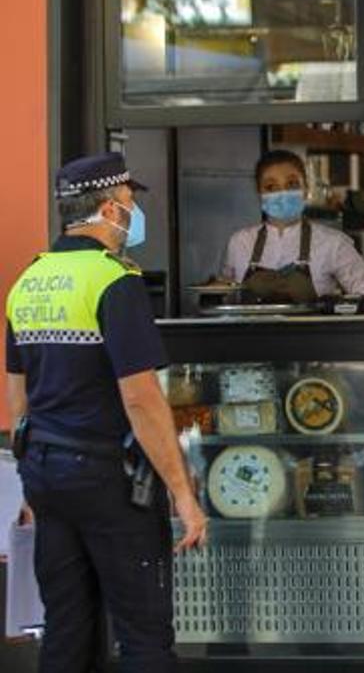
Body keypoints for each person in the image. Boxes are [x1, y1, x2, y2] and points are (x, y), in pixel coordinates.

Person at [6, 152, 208, 672]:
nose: (133, 211)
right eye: (129, 201)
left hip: (46, 472)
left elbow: (17, 395)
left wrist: (31, 486)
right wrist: (184, 494)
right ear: (110, 207)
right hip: (106, 477)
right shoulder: (113, 280)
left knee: (67, 628)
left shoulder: (29, 280)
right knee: (143, 635)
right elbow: (141, 399)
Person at [217, 149, 364, 312]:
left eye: (292, 184)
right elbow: (224, 298)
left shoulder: (333, 243)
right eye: (271, 187)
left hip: (314, 337)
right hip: (252, 337)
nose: (282, 193)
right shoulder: (239, 243)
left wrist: (336, 307)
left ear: (306, 189)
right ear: (259, 193)